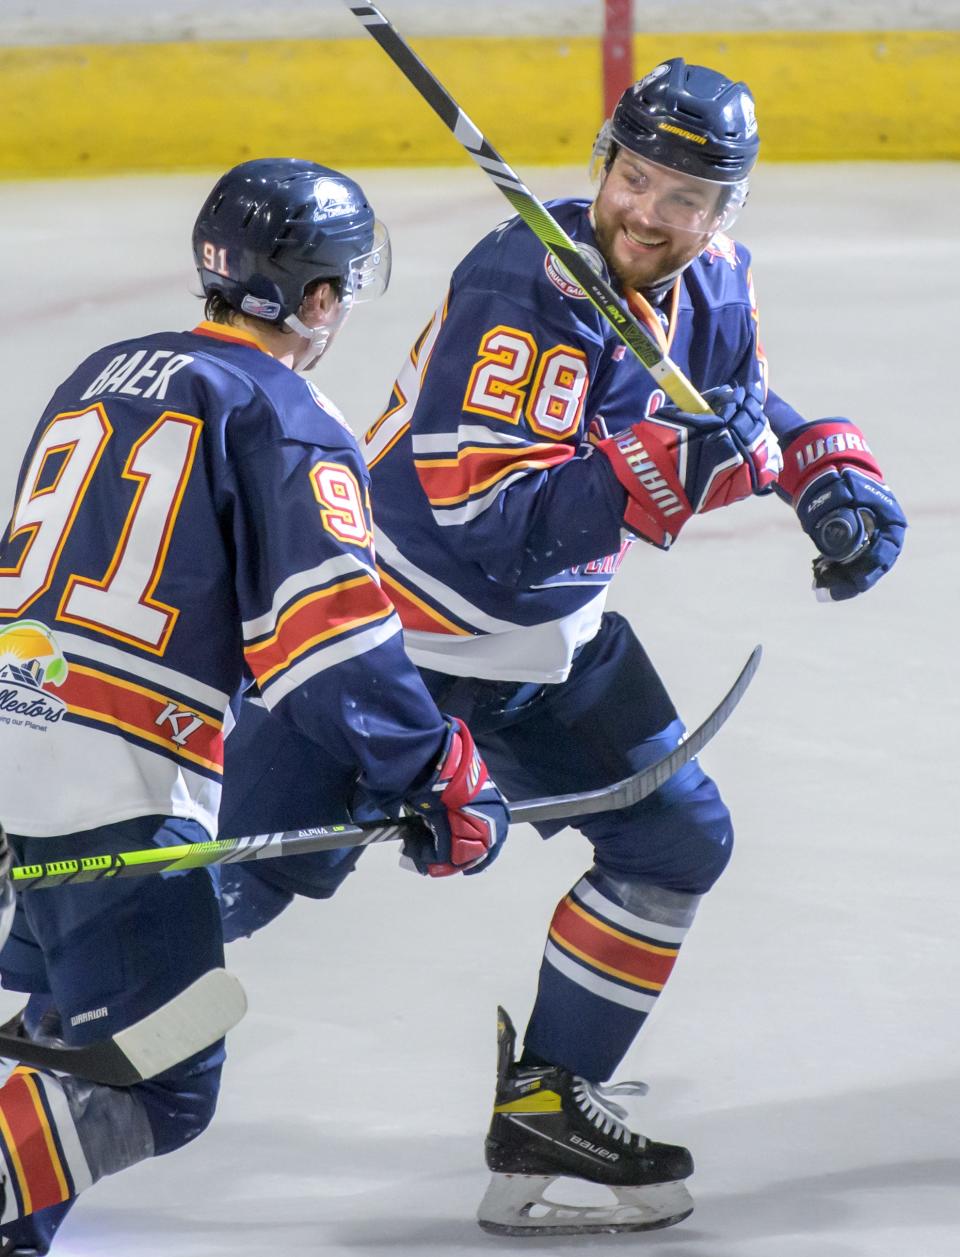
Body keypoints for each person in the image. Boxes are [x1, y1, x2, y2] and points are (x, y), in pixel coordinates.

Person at [217, 60, 907, 1235]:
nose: (651, 211)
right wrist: (668, 469)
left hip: (545, 652)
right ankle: (45, 1003)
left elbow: (733, 402)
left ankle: (547, 1103)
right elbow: (490, 526)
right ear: (603, 165)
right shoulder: (521, 281)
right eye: (638, 177)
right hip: (385, 646)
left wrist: (825, 473)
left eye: (687, 195)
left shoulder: (715, 279)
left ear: (727, 210)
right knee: (248, 875)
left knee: (675, 840)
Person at [0, 157, 509, 1255]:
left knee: (56, 1035)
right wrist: (431, 768)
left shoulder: (102, 367)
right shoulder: (287, 412)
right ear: (319, 299)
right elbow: (327, 647)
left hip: (14, 727)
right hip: (116, 776)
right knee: (164, 1080)